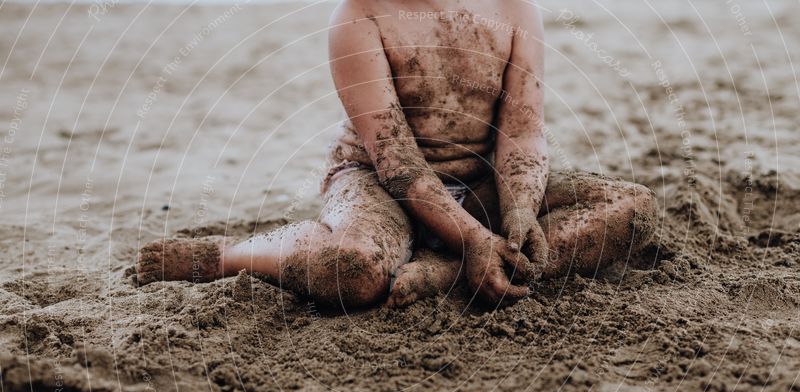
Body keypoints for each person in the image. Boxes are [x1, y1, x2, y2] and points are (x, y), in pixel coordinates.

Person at [136, 0, 657, 309]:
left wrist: (519, 209)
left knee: (631, 208)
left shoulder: (511, 6)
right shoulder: (360, 16)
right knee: (354, 270)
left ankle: (449, 273)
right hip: (376, 183)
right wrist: (474, 236)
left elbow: (523, 125)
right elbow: (396, 161)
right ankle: (231, 254)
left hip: (483, 180)